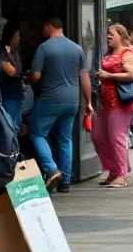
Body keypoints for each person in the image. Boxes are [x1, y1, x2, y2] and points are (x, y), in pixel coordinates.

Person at [27, 16, 93, 192]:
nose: (42, 32)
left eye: (43, 28)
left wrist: (28, 78)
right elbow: (84, 76)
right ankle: (65, 181)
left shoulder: (44, 48)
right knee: (65, 139)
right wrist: (89, 101)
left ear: (48, 26)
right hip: (72, 101)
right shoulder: (77, 48)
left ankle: (51, 169)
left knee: (37, 133)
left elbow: (36, 76)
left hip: (49, 99)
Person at [93, 23, 133, 188]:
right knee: (98, 136)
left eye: (111, 34)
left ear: (121, 35)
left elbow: (131, 74)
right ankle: (114, 169)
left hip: (120, 102)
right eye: (107, 34)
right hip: (104, 101)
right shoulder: (110, 52)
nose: (108, 37)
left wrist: (109, 74)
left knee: (116, 137)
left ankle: (121, 175)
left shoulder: (127, 53)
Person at [0, 23, 24, 131]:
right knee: (9, 126)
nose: (19, 39)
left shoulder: (15, 52)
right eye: (17, 36)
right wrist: (17, 72)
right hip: (7, 95)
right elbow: (10, 71)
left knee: (17, 125)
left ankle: (15, 147)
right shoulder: (0, 50)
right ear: (10, 36)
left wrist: (17, 72)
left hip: (18, 95)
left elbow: (18, 71)